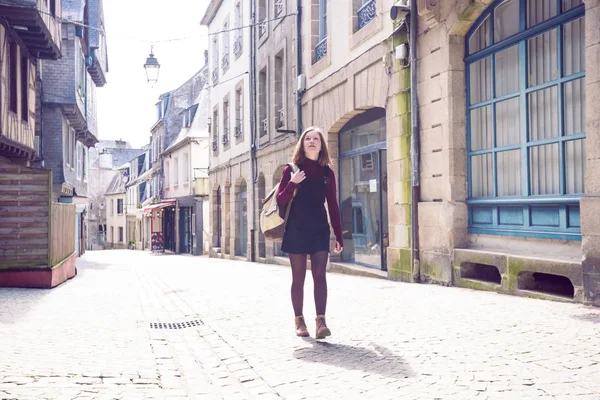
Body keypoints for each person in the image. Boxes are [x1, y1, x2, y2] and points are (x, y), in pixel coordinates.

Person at [276, 126, 343, 339]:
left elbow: (332, 204)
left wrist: (338, 235)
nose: (312, 142)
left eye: (316, 139)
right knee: (298, 277)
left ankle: (321, 321)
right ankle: (299, 320)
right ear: (302, 144)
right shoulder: (292, 169)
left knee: (320, 274)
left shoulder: (327, 172)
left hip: (319, 229)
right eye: (308, 139)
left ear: (322, 145)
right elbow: (280, 201)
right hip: (296, 228)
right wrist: (292, 185)